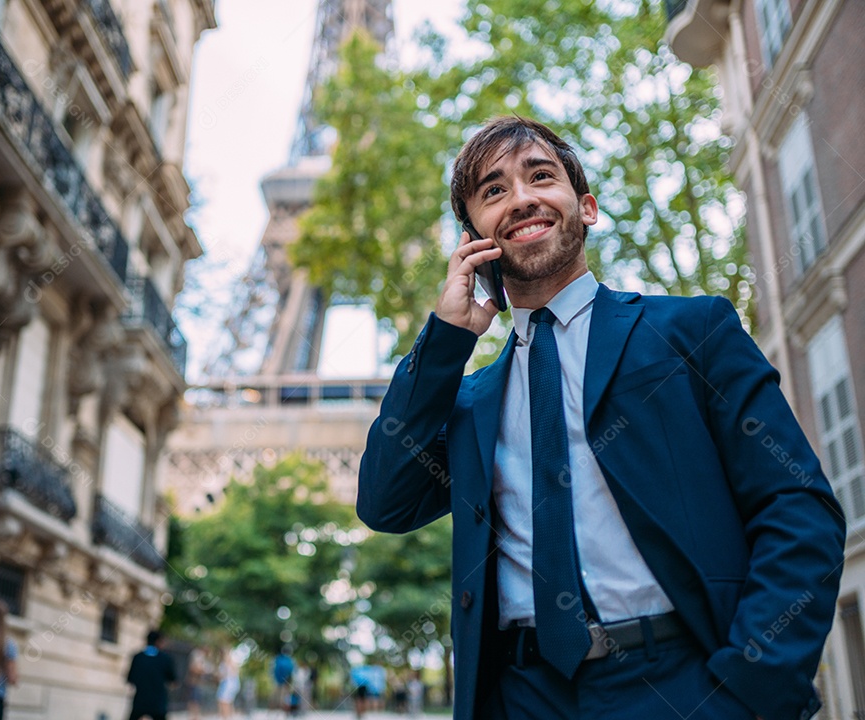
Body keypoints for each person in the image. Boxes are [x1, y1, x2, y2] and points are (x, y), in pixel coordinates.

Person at [356, 115, 846, 720]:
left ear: (585, 207)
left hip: (681, 685)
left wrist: (747, 691)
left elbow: (796, 509)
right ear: (473, 240)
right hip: (522, 695)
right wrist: (444, 343)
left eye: (541, 176)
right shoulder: (472, 401)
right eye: (493, 190)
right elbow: (384, 501)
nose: (521, 199)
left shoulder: (692, 332)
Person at [126, 630, 177, 720]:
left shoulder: (138, 657)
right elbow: (172, 680)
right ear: (158, 641)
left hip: (140, 701)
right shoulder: (165, 658)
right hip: (158, 702)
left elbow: (130, 678)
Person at [215, 648, 240, 719]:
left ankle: (226, 718)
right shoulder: (227, 662)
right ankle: (227, 717)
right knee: (226, 702)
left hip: (228, 685)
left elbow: (232, 673)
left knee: (225, 702)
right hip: (227, 684)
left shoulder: (229, 662)